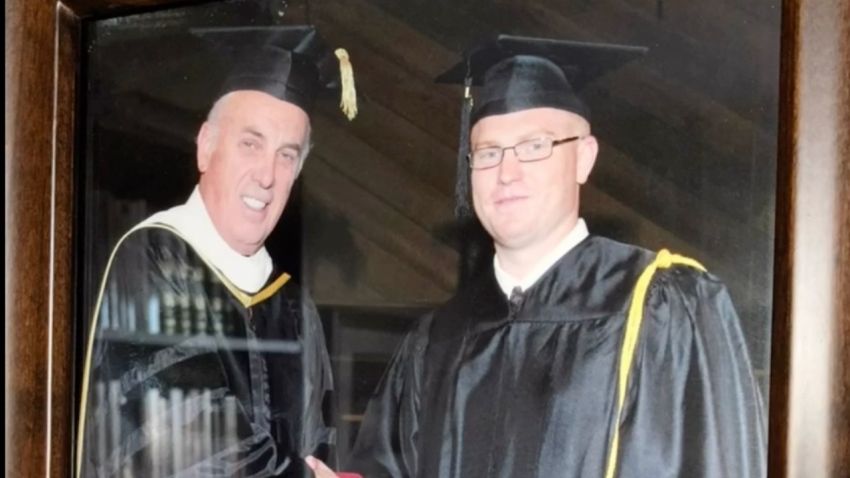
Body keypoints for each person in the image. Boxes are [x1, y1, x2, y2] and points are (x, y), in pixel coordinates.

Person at [346, 35, 767, 478]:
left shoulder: (661, 307)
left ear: (584, 159)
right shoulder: (435, 342)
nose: (507, 173)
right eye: (488, 153)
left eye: (534, 146)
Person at [76, 25, 358, 478]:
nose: (266, 175)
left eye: (287, 155)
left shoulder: (295, 310)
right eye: (250, 143)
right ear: (206, 147)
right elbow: (192, 448)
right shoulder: (153, 255)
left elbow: (321, 451)